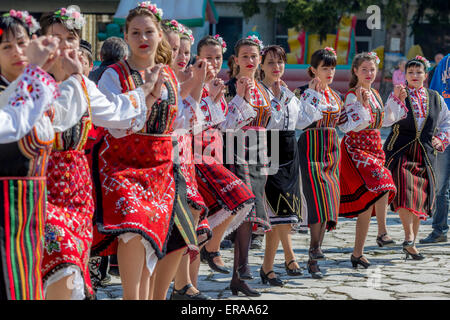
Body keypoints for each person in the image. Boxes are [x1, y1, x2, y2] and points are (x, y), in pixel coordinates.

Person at [95, 2, 220, 300]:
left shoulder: (168, 77)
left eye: (149, 32)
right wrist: (147, 95)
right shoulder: (114, 75)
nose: (143, 38)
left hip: (162, 167)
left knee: (155, 238)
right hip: (123, 164)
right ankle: (131, 296)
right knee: (133, 230)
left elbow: (180, 122)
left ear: (159, 36)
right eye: (135, 32)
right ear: (125, 36)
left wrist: (198, 87)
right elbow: (114, 124)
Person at [39, 5, 162, 300]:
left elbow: (116, 112)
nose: (63, 45)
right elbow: (55, 118)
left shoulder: (82, 83)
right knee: (59, 260)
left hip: (77, 190)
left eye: (70, 38)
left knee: (70, 268)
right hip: (40, 186)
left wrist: (145, 91)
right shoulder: (31, 82)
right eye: (55, 38)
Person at [175, 34, 257, 299]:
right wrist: (205, 94)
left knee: (206, 223)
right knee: (201, 220)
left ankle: (190, 284)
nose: (212, 63)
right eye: (207, 58)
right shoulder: (187, 82)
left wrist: (238, 100)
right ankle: (188, 281)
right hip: (194, 158)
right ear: (197, 57)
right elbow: (189, 121)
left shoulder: (218, 88)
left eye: (217, 58)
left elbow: (226, 127)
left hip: (214, 155)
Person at [0, 13, 62, 299]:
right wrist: (35, 70)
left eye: (22, 44)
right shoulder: (14, 94)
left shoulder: (37, 90)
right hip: (3, 208)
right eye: (6, 47)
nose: (17, 52)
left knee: (27, 278)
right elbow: (14, 121)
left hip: (31, 206)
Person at [294, 47, 366, 278]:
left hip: (332, 150)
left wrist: (361, 106)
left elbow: (346, 124)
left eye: (333, 68)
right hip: (310, 148)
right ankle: (315, 249)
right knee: (318, 200)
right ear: (313, 69)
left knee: (329, 204)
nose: (330, 72)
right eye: (325, 68)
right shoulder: (302, 92)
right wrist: (313, 96)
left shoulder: (336, 96)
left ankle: (315, 251)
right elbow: (301, 121)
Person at [259, 45, 322, 285]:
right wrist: (280, 98)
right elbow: (268, 123)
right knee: (278, 212)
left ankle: (268, 268)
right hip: (268, 150)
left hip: (289, 151)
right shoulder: (260, 92)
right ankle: (289, 256)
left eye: (280, 62)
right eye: (271, 62)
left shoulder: (285, 91)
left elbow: (304, 120)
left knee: (285, 213)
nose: (276, 67)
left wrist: (311, 95)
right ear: (262, 65)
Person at [339, 52, 404, 269]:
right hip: (357, 150)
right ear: (355, 71)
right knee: (385, 182)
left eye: (372, 69)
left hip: (375, 148)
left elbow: (384, 120)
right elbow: (352, 126)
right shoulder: (351, 95)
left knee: (368, 203)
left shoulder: (375, 93)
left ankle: (358, 253)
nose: (369, 73)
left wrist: (396, 100)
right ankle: (383, 232)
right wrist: (360, 104)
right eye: (364, 69)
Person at [384, 56, 450, 260]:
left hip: (425, 153)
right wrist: (397, 100)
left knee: (420, 198)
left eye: (418, 72)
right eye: (410, 72)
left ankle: (411, 243)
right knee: (405, 192)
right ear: (405, 75)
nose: (414, 76)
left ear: (426, 75)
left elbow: (446, 122)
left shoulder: (435, 97)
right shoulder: (398, 94)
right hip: (401, 151)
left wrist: (441, 140)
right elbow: (387, 120)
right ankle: (409, 236)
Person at [224, 35, 274, 297]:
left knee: (251, 208)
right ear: (236, 59)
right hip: (238, 148)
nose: (251, 60)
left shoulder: (264, 88)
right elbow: (226, 122)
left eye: (254, 56)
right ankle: (242, 268)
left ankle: (237, 276)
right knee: (244, 207)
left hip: (260, 150)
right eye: (245, 56)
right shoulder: (229, 87)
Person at [421, 52, 450, 244]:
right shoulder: (446, 62)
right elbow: (433, 95)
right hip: (444, 131)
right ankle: (439, 229)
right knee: (440, 186)